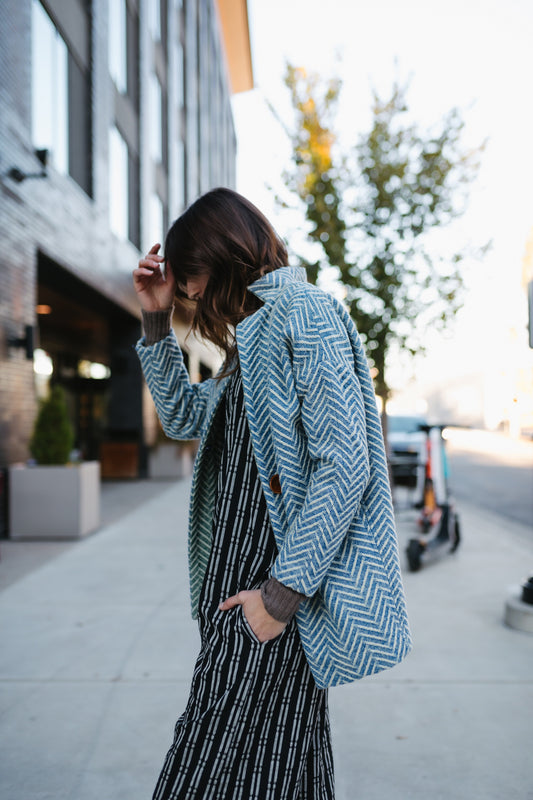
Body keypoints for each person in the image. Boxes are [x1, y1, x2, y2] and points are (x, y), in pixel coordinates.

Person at [133, 188, 411, 800]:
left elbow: (345, 465)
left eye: (192, 281)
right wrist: (157, 318)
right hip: (242, 598)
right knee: (282, 768)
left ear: (221, 252)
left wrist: (278, 600)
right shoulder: (249, 343)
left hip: (272, 597)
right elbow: (181, 416)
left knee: (204, 769)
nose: (193, 296)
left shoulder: (302, 313)